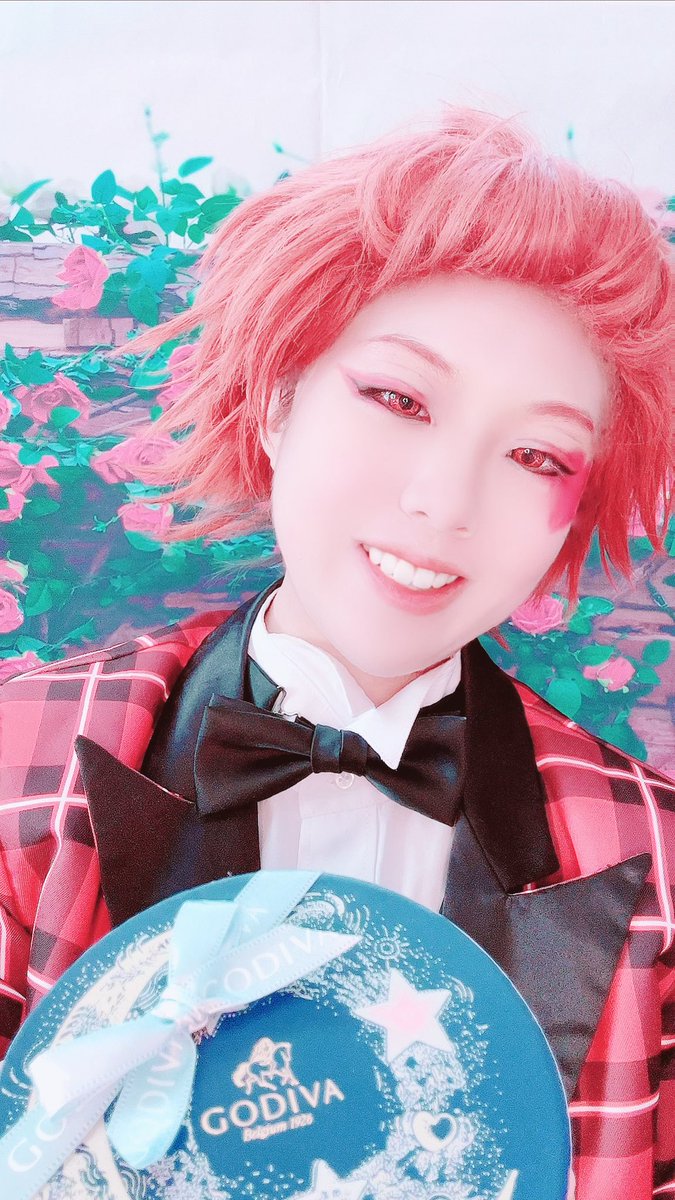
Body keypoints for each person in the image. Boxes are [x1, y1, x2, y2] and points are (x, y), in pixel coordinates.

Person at [0, 108, 672, 1199]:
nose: (443, 501)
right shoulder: (22, 762)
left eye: (537, 455)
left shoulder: (646, 850)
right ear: (279, 400)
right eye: (397, 399)